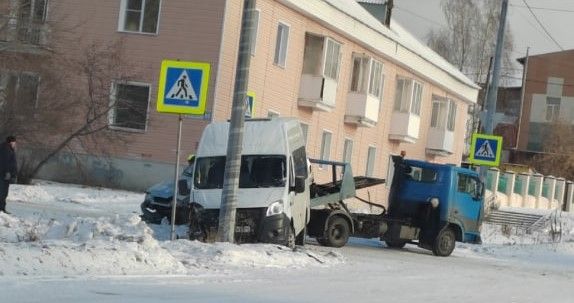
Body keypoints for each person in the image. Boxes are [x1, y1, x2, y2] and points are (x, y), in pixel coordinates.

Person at [0, 136, 17, 214]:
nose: (15, 144)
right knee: (2, 192)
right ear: (11, 142)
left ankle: (2, 209)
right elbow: (5, 162)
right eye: (14, 142)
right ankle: (1, 209)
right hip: (3, 175)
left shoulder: (8, 149)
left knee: (4, 192)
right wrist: (7, 172)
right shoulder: (6, 149)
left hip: (5, 174)